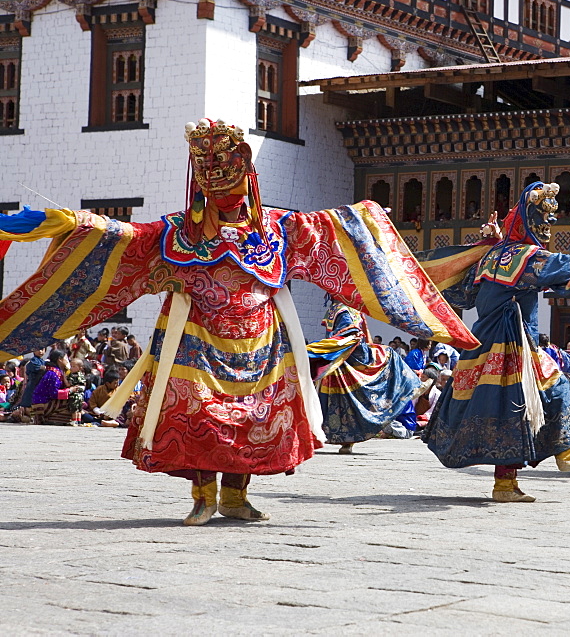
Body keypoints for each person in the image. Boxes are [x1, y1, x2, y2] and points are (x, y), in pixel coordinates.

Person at [0, 118, 476, 525]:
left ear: (248, 178)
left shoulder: (279, 228)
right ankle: (204, 496)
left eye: (231, 184)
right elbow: (128, 238)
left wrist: (369, 223)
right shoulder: (176, 232)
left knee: (255, 421)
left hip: (262, 343)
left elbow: (335, 235)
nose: (225, 198)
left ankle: (236, 495)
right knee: (199, 417)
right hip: (195, 339)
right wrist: (68, 223)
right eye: (214, 185)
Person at [418, 181, 570, 502]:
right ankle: (561, 453)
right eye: (543, 219)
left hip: (486, 344)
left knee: (509, 410)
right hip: (510, 346)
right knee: (549, 391)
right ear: (528, 221)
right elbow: (562, 267)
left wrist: (492, 240)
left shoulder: (493, 256)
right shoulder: (525, 257)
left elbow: (468, 293)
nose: (548, 226)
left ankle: (508, 482)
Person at [307, 300, 420, 455]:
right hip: (344, 359)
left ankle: (345, 440)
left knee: (343, 403)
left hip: (343, 359)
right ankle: (342, 440)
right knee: (388, 355)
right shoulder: (345, 309)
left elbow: (350, 336)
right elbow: (350, 336)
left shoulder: (342, 309)